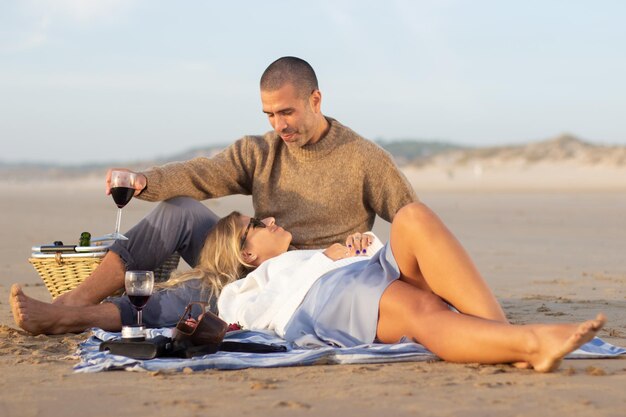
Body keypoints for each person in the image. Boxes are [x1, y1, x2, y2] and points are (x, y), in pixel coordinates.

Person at [11, 203, 606, 373]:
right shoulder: (241, 291)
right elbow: (143, 314)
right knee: (420, 310)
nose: (269, 221)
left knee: (414, 218)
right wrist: (65, 315)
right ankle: (528, 345)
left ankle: (500, 335)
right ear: (245, 254)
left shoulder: (299, 256)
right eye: (257, 226)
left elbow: (376, 238)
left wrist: (347, 248)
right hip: (323, 301)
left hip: (356, 274)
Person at [54, 56, 416, 308]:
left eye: (287, 112)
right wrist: (146, 180)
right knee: (179, 211)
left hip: (314, 283)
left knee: (196, 294)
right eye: (270, 114)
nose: (279, 125)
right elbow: (203, 174)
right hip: (252, 262)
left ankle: (120, 312)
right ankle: (78, 301)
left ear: (315, 99)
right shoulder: (261, 151)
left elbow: (413, 223)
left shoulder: (363, 158)